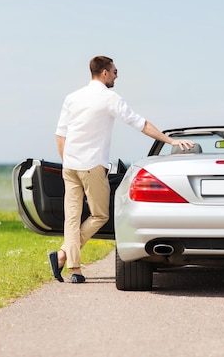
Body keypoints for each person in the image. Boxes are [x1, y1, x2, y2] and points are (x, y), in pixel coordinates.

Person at [49, 55, 194, 283]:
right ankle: (64, 254)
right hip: (91, 166)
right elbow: (141, 124)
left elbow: (60, 134)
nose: (117, 75)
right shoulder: (109, 98)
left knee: (72, 219)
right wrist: (169, 141)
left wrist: (67, 160)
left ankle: (74, 269)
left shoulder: (72, 97)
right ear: (104, 73)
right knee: (99, 215)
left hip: (70, 165)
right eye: (115, 72)